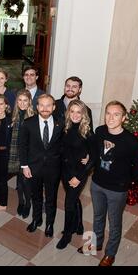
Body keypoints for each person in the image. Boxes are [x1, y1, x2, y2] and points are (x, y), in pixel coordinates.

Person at [77, 101, 138, 266]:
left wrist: (126, 182)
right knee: (98, 216)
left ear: (124, 118)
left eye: (116, 114)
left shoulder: (130, 141)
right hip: (97, 184)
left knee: (114, 223)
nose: (111, 117)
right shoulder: (100, 131)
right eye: (108, 113)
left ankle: (110, 254)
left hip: (117, 190)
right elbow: (93, 151)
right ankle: (96, 243)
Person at [19, 94, 64, 238]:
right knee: (36, 196)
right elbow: (23, 146)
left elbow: (65, 146)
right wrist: (24, 166)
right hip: (33, 167)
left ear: (54, 107)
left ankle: (49, 224)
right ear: (37, 107)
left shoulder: (60, 123)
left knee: (51, 198)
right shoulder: (28, 123)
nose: (45, 108)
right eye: (42, 105)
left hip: (53, 169)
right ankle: (36, 219)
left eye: (48, 105)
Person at [56, 100, 94, 250]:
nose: (75, 115)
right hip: (65, 171)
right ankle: (79, 224)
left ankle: (67, 235)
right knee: (74, 198)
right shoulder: (65, 128)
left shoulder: (88, 132)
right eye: (72, 111)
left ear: (83, 114)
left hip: (79, 173)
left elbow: (94, 158)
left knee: (69, 202)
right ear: (68, 113)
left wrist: (79, 177)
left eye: (79, 112)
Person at [8, 89, 35, 218]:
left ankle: (28, 203)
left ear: (29, 101)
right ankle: (21, 202)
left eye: (25, 100)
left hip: (28, 155)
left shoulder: (34, 117)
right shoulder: (13, 115)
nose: (22, 103)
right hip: (15, 153)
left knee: (26, 182)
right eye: (20, 100)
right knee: (19, 182)